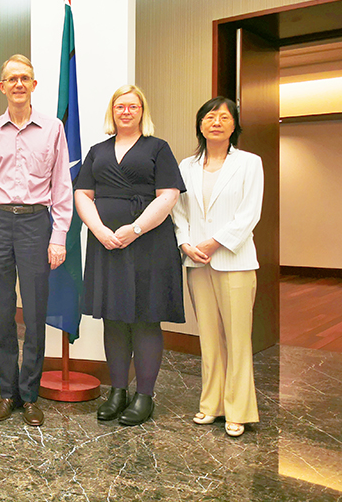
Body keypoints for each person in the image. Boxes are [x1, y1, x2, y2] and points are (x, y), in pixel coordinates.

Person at [74, 84, 184, 426]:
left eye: (132, 106)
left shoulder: (158, 148)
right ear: (112, 111)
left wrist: (135, 229)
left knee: (145, 318)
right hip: (106, 244)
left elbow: (168, 196)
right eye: (120, 106)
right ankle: (118, 392)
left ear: (142, 111)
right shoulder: (97, 151)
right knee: (114, 318)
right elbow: (82, 194)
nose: (126, 111)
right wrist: (99, 230)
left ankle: (144, 396)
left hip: (149, 243)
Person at [0, 54, 72, 428]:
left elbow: (62, 185)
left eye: (24, 78)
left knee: (33, 314)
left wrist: (58, 236)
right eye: (11, 78)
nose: (18, 84)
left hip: (35, 224)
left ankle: (29, 395)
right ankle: (7, 392)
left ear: (34, 84)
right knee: (1, 314)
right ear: (2, 87)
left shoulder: (53, 128)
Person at [172, 97, 263, 437]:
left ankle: (239, 409)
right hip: (196, 261)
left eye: (224, 117)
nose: (216, 122)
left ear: (234, 125)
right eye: (210, 117)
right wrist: (185, 244)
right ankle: (212, 404)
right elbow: (178, 211)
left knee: (237, 339)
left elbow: (249, 213)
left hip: (234, 260)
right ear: (200, 125)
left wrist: (214, 242)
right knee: (209, 337)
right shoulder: (186, 166)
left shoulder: (250, 163)